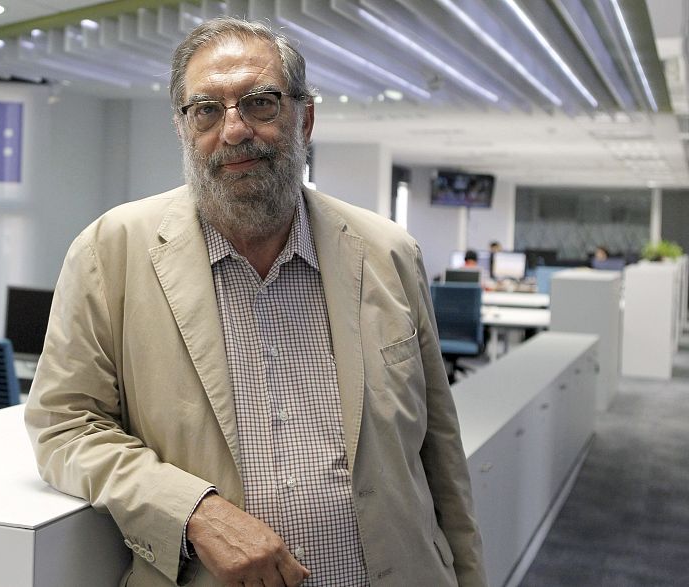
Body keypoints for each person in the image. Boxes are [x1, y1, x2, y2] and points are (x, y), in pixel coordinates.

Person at [25, 17, 486, 587]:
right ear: (183, 128)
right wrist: (193, 511)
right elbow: (64, 425)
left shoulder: (387, 252)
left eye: (260, 103)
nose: (235, 130)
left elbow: (441, 455)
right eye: (206, 110)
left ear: (304, 118)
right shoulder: (110, 252)